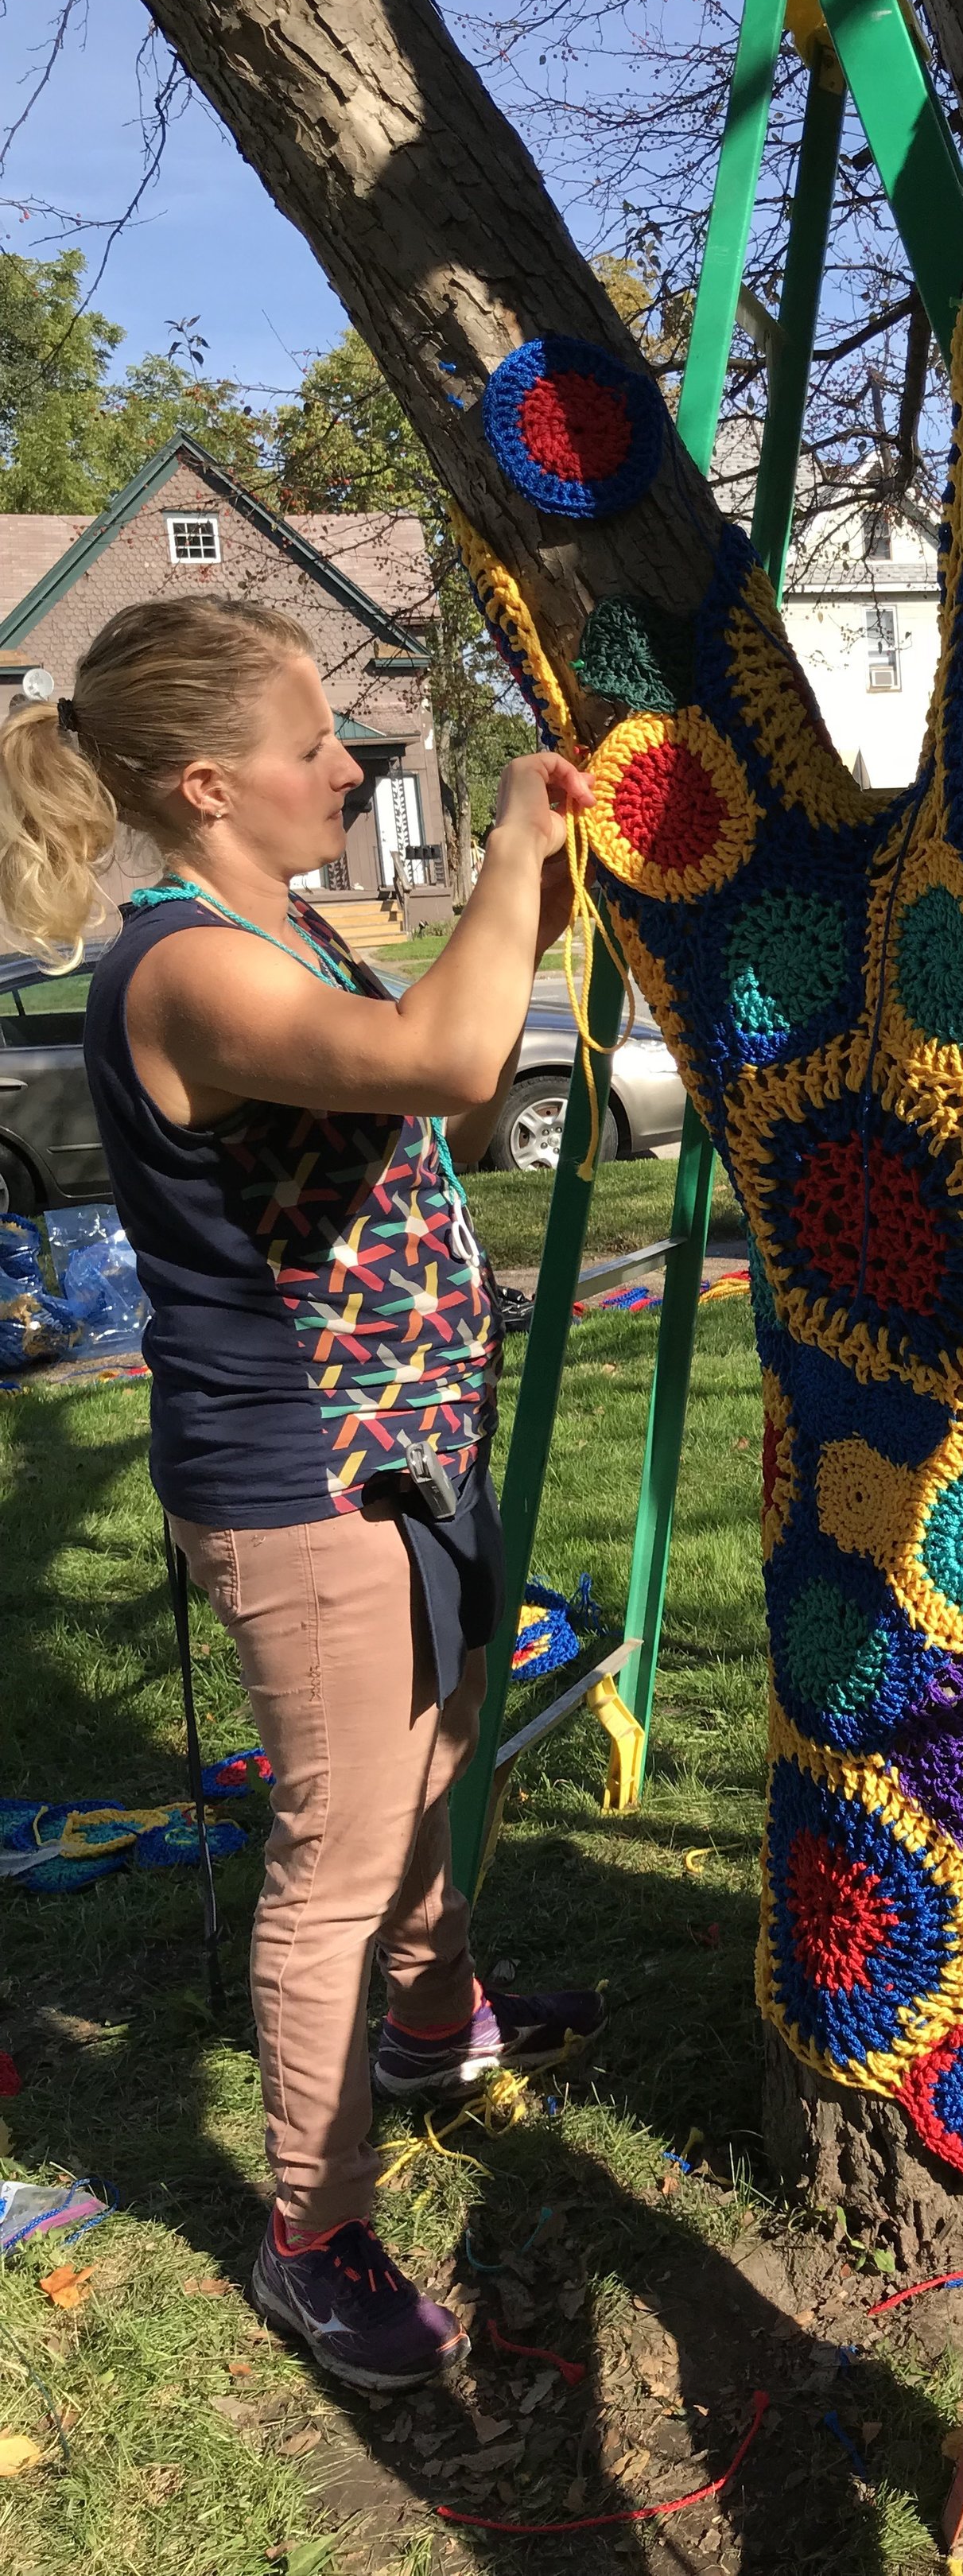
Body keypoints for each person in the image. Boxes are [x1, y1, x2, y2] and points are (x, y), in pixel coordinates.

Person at [0, 596, 604, 2392]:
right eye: (312, 744)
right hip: (307, 1478)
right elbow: (441, 1060)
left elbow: (448, 1090)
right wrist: (500, 848)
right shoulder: (183, 965)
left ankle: (431, 2030)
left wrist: (545, 891)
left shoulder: (296, 922)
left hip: (405, 1448)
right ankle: (309, 2228)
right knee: (334, 1860)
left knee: (425, 1769)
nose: (347, 765)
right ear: (204, 785)